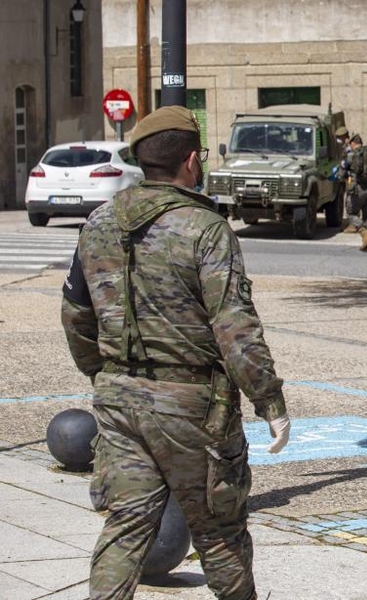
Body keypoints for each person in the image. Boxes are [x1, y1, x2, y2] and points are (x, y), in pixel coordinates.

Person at [60, 105, 291, 600]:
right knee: (217, 528)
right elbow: (235, 327)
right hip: (192, 404)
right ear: (191, 161)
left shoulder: (98, 222)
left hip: (118, 398)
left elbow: (75, 314)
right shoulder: (206, 228)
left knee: (126, 524)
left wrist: (103, 373)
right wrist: (269, 401)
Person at [345, 134, 367, 251]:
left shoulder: (351, 155)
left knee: (351, 214)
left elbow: (341, 172)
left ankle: (365, 234)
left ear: (353, 143)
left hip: (358, 190)